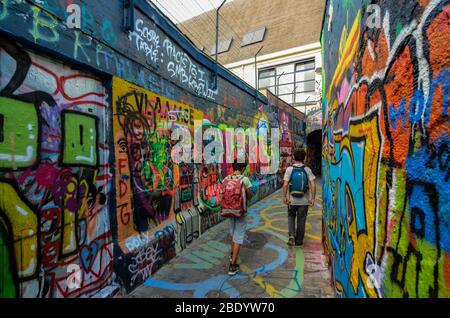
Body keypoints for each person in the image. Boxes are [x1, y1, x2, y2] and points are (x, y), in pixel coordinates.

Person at [221, 162, 253, 276]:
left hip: (229, 211)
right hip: (240, 212)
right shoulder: (245, 179)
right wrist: (245, 189)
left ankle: (231, 256)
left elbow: (222, 194)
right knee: (238, 237)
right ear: (243, 168)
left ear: (232, 168)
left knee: (233, 233)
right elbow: (250, 196)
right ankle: (233, 266)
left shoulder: (226, 179)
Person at [282, 148, 316, 247]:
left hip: (292, 201)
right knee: (302, 220)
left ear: (294, 157)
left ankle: (291, 236)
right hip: (304, 202)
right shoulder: (307, 169)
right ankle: (299, 241)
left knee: (291, 217)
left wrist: (284, 197)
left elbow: (285, 185)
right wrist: (312, 199)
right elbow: (313, 185)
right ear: (304, 158)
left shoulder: (289, 169)